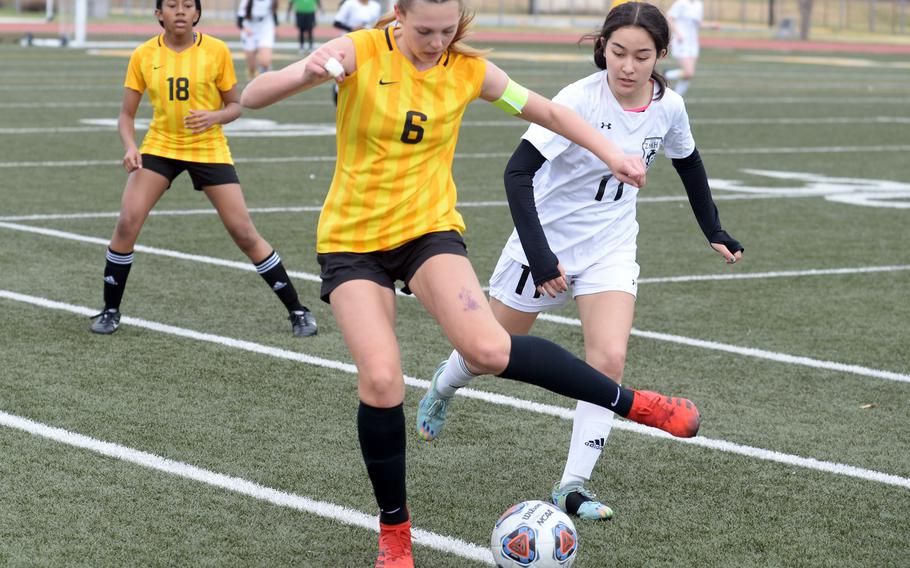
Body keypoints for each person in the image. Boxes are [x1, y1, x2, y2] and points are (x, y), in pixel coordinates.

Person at [240, 0, 699, 564]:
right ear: (398, 15)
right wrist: (305, 71)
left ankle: (633, 405)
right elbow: (251, 96)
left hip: (429, 233)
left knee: (486, 346)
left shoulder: (467, 70)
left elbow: (547, 113)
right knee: (382, 381)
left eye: (447, 30)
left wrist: (613, 153)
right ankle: (395, 534)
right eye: (425, 31)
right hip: (353, 243)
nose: (437, 43)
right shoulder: (358, 51)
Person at [415, 1, 742, 523]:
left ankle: (573, 485)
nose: (628, 66)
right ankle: (444, 384)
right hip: (542, 246)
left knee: (607, 361)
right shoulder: (577, 100)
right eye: (617, 52)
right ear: (603, 49)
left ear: (660, 54)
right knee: (487, 352)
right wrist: (543, 260)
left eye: (641, 55)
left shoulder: (669, 106)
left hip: (611, 248)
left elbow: (689, 163)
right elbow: (516, 175)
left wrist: (714, 230)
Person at [89, 0, 317, 339]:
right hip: (160, 147)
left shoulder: (216, 50)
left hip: (208, 148)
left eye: (187, 6)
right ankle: (110, 310)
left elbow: (236, 105)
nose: (179, 11)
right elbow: (126, 115)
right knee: (126, 222)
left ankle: (298, 310)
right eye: (171, 5)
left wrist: (214, 117)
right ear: (158, 14)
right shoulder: (143, 55)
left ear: (197, 14)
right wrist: (130, 146)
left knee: (243, 231)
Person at [329, 0, 381, 105]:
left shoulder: (375, 6)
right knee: (345, 76)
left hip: (369, 45)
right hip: (349, 45)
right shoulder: (349, 3)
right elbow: (336, 22)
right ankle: (338, 96)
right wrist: (352, 29)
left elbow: (377, 24)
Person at [664, 0, 703, 96]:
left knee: (688, 76)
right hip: (681, 42)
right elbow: (669, 17)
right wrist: (678, 33)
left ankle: (678, 98)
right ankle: (666, 75)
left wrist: (712, 26)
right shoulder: (681, 3)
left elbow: (698, 24)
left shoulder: (699, 4)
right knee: (689, 72)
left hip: (693, 43)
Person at [237, 0, 278, 79]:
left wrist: (276, 28)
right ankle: (251, 75)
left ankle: (265, 79)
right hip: (249, 32)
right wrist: (245, 29)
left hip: (265, 31)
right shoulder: (246, 2)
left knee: (265, 61)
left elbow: (274, 15)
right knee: (251, 66)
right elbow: (239, 21)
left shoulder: (271, 1)